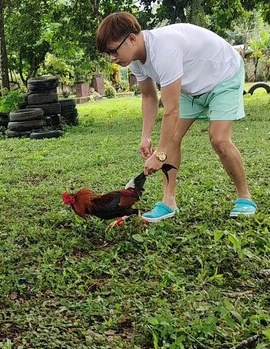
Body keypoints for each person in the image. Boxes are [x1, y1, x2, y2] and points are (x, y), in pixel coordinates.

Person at [96, 12, 256, 222]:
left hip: (223, 75)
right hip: (191, 87)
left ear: (132, 39)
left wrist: (160, 154)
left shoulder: (164, 50)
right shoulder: (135, 59)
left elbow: (171, 110)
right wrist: (146, 136)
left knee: (219, 139)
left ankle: (244, 197)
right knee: (172, 139)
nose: (112, 58)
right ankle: (168, 201)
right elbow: (149, 96)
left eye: (113, 51)